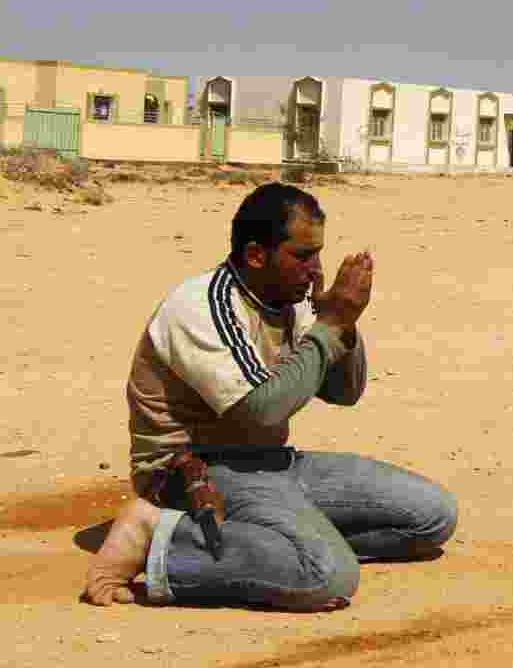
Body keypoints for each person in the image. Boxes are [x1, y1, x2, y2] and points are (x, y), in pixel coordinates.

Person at [85, 182, 458, 611]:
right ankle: (159, 536)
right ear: (257, 255)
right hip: (195, 473)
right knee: (328, 576)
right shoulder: (202, 306)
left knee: (432, 516)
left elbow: (344, 392)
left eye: (318, 254)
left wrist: (342, 323)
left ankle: (278, 550)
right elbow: (262, 410)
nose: (315, 270)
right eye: (302, 256)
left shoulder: (287, 303)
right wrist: (330, 325)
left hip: (266, 466)